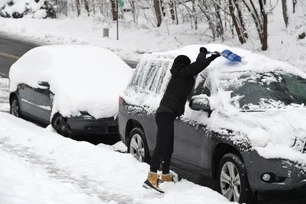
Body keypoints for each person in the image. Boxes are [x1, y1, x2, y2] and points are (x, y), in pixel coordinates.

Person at [142, 47, 221, 193]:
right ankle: (151, 178)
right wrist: (206, 55)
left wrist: (209, 57)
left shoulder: (180, 75)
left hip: (167, 115)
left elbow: (195, 68)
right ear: (184, 65)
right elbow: (197, 66)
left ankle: (165, 175)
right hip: (165, 114)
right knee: (161, 146)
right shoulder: (181, 74)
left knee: (168, 147)